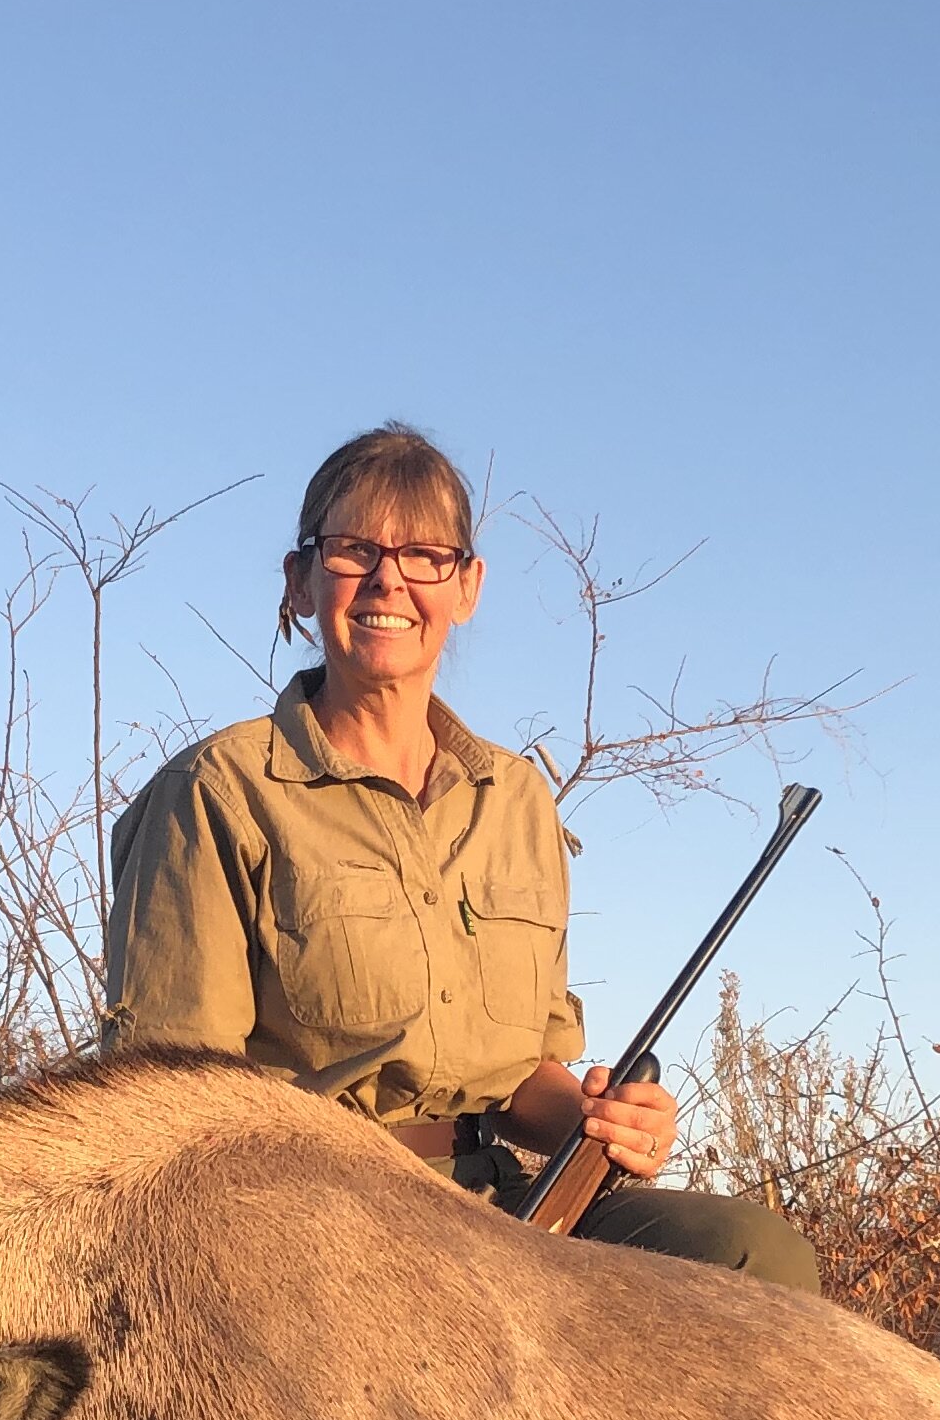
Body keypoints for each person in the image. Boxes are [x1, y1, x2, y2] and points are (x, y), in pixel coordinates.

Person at [101, 424, 818, 1291]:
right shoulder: (214, 789)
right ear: (299, 582)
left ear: (467, 587)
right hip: (314, 1216)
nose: (388, 580)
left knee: (753, 1257)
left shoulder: (516, 801)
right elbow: (173, 1104)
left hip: (501, 1201)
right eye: (353, 549)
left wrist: (603, 1121)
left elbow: (522, 1079)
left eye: (424, 555)